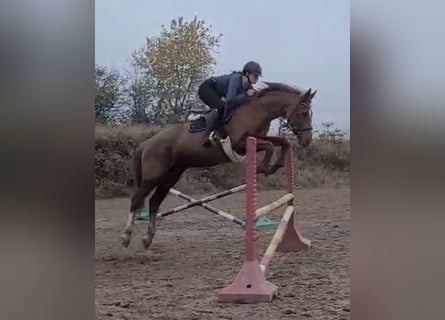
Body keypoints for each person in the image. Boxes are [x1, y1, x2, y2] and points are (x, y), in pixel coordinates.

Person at [197, 61, 263, 146]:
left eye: (258, 76)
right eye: (255, 75)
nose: (257, 78)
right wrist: (245, 95)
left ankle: (220, 132)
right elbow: (230, 100)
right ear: (247, 73)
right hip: (207, 88)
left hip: (217, 93)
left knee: (228, 108)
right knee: (220, 106)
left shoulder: (248, 86)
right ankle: (205, 136)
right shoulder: (236, 78)